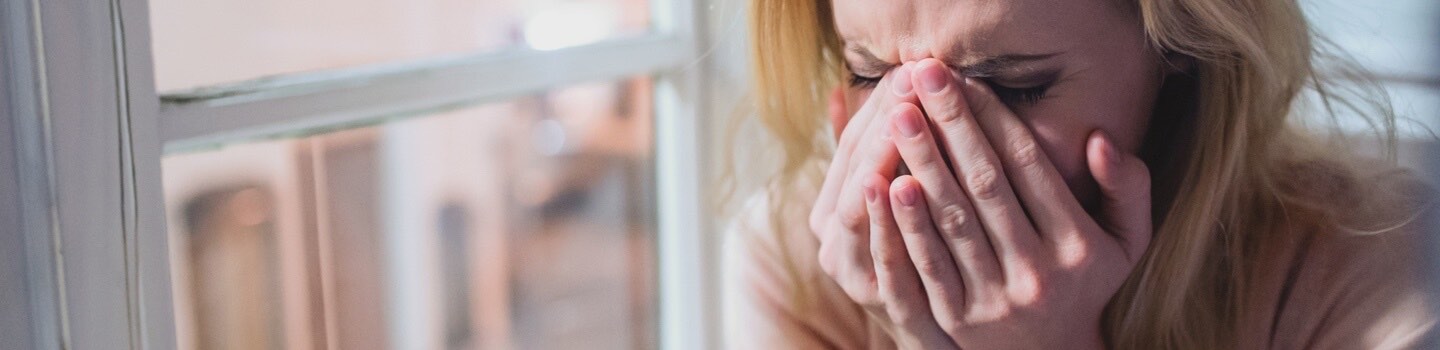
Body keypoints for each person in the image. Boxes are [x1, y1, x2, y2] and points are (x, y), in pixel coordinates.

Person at [722, 0, 1439, 348]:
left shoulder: (1375, 262)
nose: (917, 146)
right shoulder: (795, 262)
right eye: (868, 74)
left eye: (1012, 86)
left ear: (1182, 44)